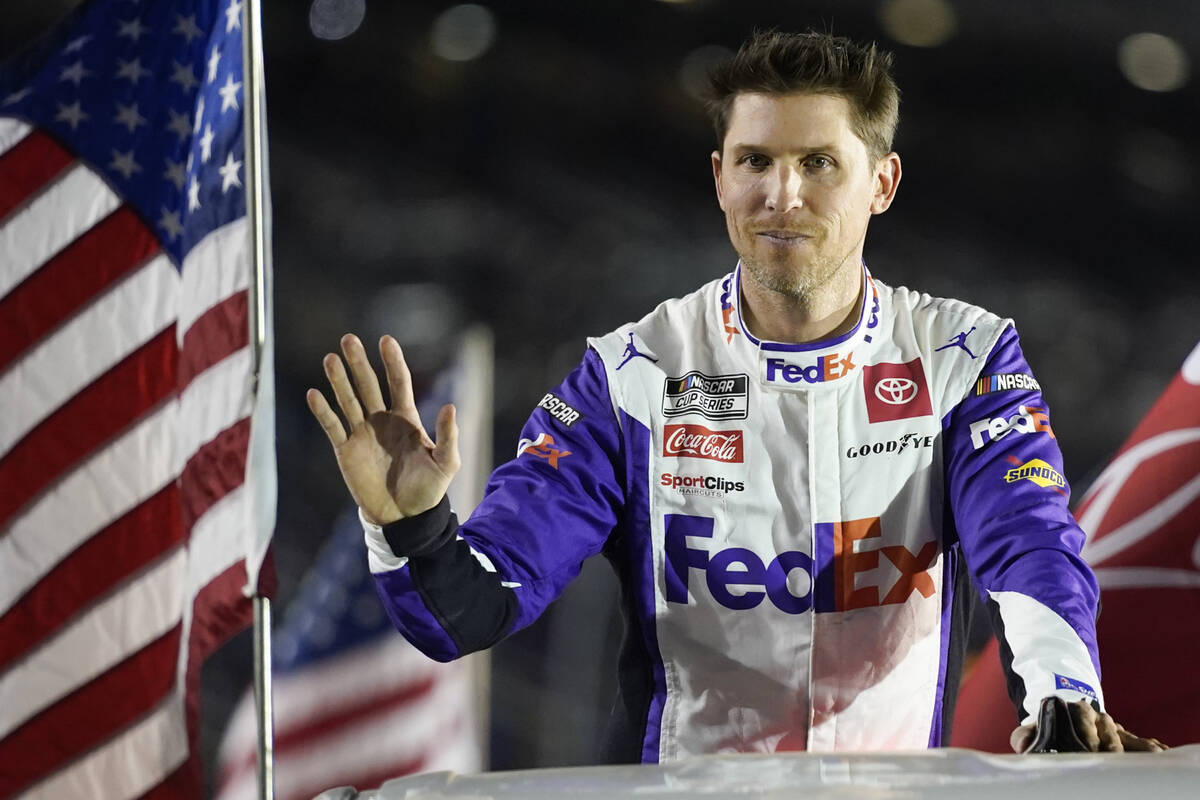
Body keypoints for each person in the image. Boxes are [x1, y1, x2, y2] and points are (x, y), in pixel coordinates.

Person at [307, 30, 1165, 760]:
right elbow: (470, 612)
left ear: (882, 184)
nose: (780, 196)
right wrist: (411, 526)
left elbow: (1029, 547)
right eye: (756, 160)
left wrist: (1062, 690)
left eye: (819, 163)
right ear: (720, 177)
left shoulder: (962, 358)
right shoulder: (631, 377)